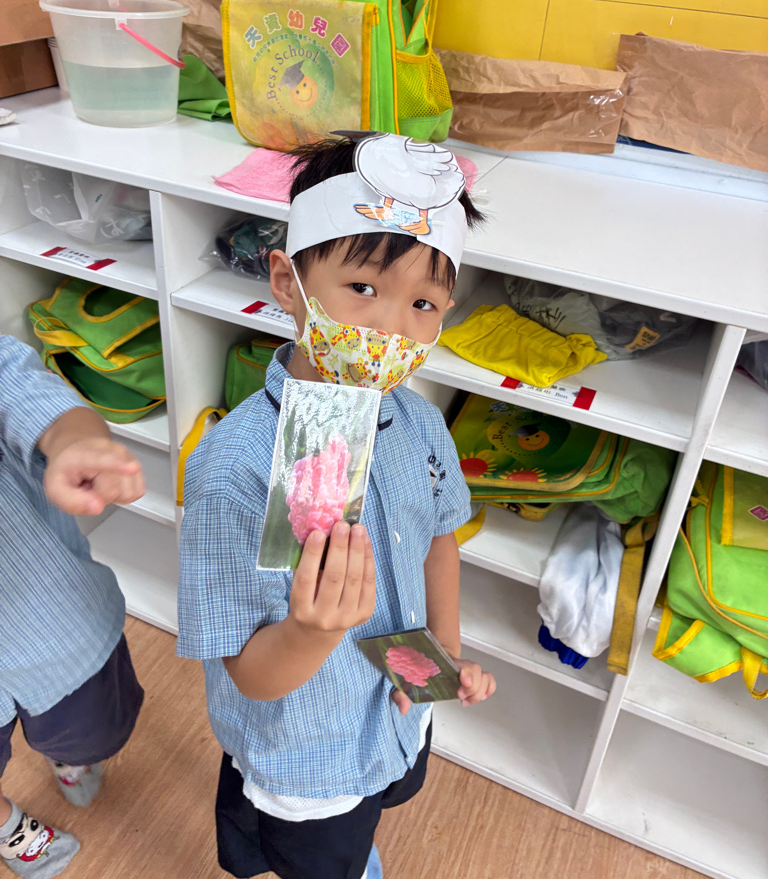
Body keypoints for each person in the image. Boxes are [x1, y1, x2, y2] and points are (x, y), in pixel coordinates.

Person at [178, 133, 496, 879]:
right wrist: (310, 631)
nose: (390, 328)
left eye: (423, 303)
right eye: (362, 288)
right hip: (306, 749)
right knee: (320, 854)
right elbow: (248, 671)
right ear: (287, 282)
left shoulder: (418, 423)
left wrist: (441, 658)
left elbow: (438, 539)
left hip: (395, 710)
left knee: (378, 805)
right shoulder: (236, 468)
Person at [0, 336, 146, 878]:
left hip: (56, 629)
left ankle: (70, 753)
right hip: (56, 630)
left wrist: (74, 440)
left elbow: (20, 388)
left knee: (93, 730)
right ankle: (7, 827)